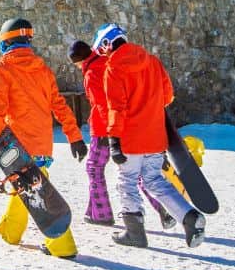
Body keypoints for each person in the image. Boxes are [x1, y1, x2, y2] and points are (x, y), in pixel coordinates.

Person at [0, 18, 88, 259]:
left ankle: (63, 244)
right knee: (27, 184)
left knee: (34, 188)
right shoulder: (42, 68)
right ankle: (10, 231)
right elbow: (59, 105)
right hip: (41, 143)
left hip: (16, 144)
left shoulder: (3, 67)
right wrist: (75, 137)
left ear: (5, 42)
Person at [93, 23, 206, 248]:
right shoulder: (152, 61)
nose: (102, 54)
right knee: (154, 180)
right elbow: (167, 96)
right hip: (155, 136)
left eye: (101, 49)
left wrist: (114, 141)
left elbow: (116, 107)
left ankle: (135, 233)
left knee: (126, 182)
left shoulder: (113, 68)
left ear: (108, 43)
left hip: (130, 138)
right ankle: (189, 217)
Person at [69, 40, 175, 229]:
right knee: (137, 172)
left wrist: (109, 133)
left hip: (105, 130)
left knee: (94, 168)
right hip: (128, 128)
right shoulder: (108, 62)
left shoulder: (92, 73)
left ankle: (101, 214)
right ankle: (167, 209)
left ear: (79, 61)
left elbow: (103, 105)